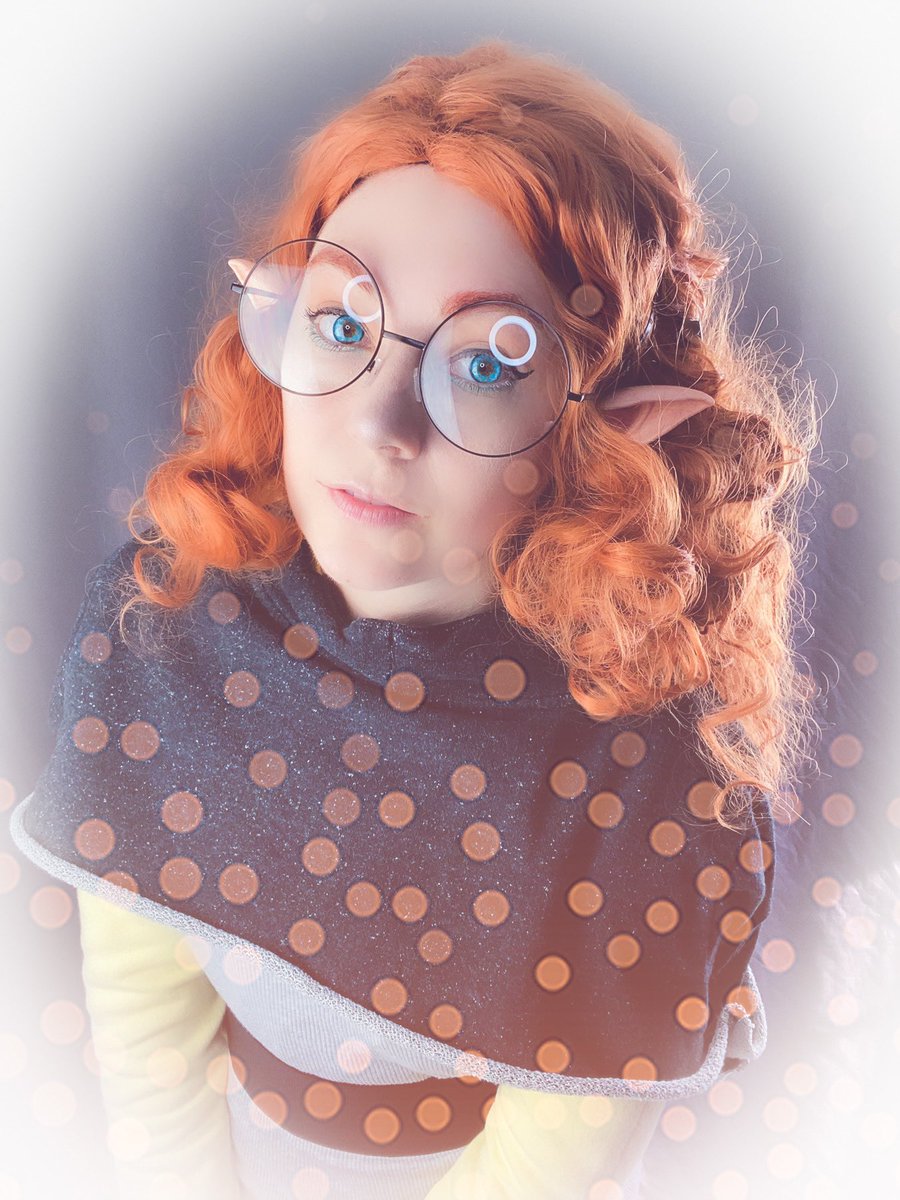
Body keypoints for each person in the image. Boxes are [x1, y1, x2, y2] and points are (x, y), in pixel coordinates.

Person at [9, 38, 818, 1200]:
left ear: (621, 432)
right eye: (343, 326)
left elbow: (555, 1157)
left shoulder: (646, 783)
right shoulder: (165, 622)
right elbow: (145, 1020)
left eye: (488, 367)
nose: (379, 426)